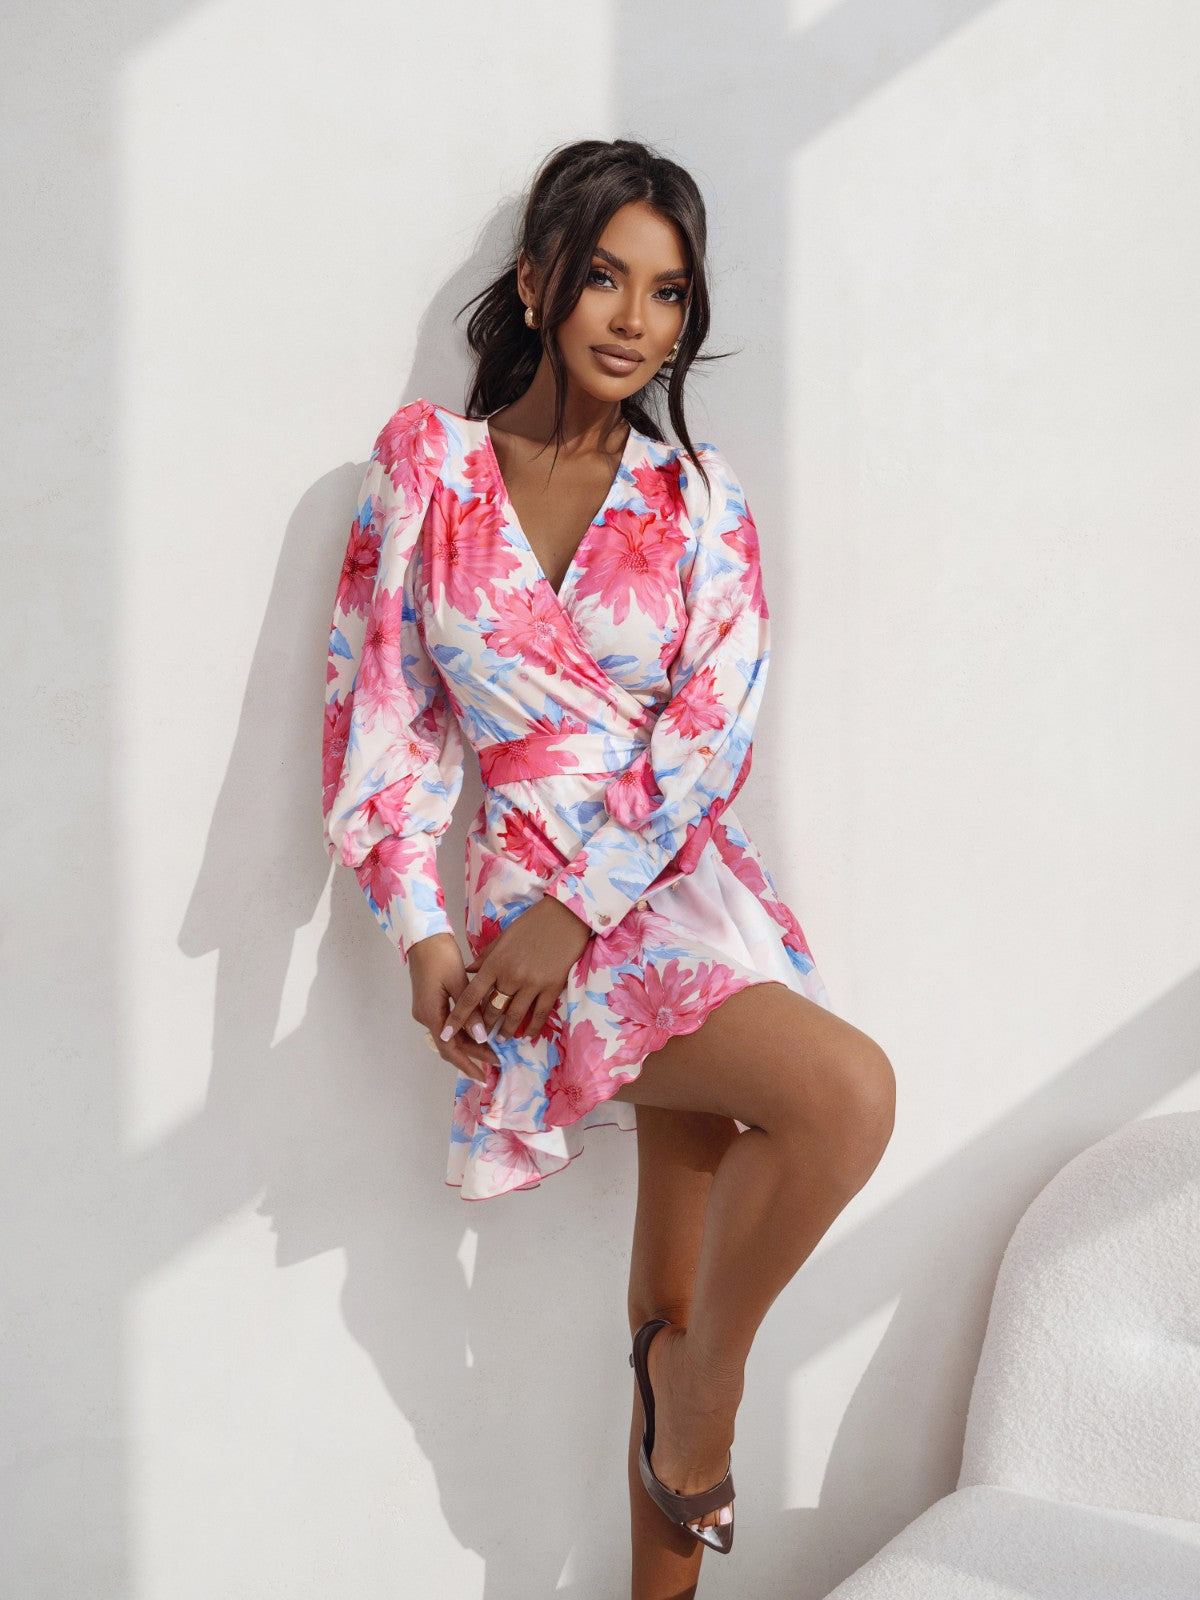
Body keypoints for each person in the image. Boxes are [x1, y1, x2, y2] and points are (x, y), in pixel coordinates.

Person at [321, 136, 895, 1594]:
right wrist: (423, 935)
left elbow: (714, 731)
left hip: (666, 888)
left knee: (735, 1220)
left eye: (670, 292)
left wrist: (582, 912)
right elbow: (383, 720)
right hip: (519, 912)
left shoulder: (700, 498)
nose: (638, 321)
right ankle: (694, 1397)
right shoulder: (430, 469)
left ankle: (690, 1393)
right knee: (834, 1105)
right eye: (604, 279)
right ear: (536, 282)